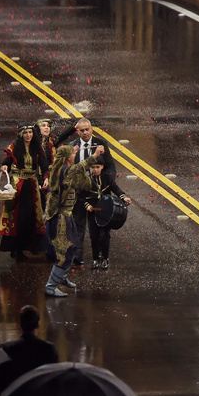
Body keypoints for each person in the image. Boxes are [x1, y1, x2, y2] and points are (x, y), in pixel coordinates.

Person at [44, 143, 103, 297]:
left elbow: (82, 180)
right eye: (72, 153)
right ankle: (51, 286)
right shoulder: (62, 171)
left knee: (73, 246)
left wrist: (73, 156)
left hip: (66, 216)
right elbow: (77, 168)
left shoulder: (65, 170)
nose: (74, 154)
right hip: (60, 219)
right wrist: (95, 156)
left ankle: (61, 277)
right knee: (65, 252)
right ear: (66, 158)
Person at [0, 123, 50, 261]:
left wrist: (46, 178)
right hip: (17, 186)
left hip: (32, 186)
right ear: (21, 134)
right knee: (17, 217)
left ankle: (31, 246)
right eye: (26, 132)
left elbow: (44, 166)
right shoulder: (14, 148)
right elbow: (7, 161)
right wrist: (5, 166)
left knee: (32, 216)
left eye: (30, 132)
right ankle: (16, 249)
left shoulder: (36, 148)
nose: (28, 135)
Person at [69, 118, 116, 267]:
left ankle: (101, 257)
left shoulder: (101, 144)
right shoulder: (72, 146)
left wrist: (108, 183)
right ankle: (77, 257)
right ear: (78, 132)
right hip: (79, 193)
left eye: (87, 129)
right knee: (78, 223)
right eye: (81, 130)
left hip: (98, 195)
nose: (84, 133)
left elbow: (110, 166)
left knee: (100, 227)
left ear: (91, 129)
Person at [0, 305, 60, 395]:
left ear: (19, 325)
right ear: (38, 325)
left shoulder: (7, 349)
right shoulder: (49, 349)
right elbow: (55, 381)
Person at [82, 155, 131, 270]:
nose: (95, 170)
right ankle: (95, 259)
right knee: (94, 236)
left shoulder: (107, 177)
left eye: (98, 167)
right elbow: (81, 196)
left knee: (105, 236)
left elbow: (115, 188)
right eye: (93, 167)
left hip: (106, 212)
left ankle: (105, 258)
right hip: (93, 212)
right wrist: (87, 205)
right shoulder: (86, 180)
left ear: (102, 167)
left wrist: (123, 197)